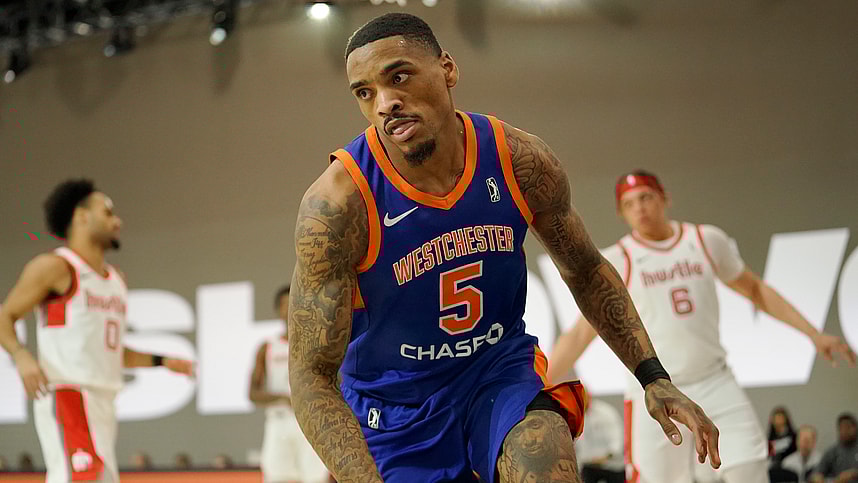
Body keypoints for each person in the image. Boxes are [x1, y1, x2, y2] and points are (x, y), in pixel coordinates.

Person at [287, 13, 721, 483]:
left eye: (399, 76)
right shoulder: (337, 205)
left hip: (494, 372)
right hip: (394, 403)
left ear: (448, 69)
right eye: (365, 92)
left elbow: (585, 269)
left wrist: (652, 375)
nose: (386, 102)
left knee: (544, 459)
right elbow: (311, 377)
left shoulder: (517, 159)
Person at [548, 170, 856, 483]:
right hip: (655, 392)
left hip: (714, 380)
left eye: (645, 197)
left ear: (664, 198)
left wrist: (813, 333)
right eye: (629, 203)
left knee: (749, 470)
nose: (639, 208)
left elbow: (756, 290)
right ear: (621, 213)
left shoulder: (705, 240)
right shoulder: (618, 259)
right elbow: (579, 334)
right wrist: (538, 381)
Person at [0, 179, 194, 483]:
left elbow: (113, 351)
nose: (118, 221)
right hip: (68, 393)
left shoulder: (116, 280)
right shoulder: (56, 266)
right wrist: (22, 356)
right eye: (108, 213)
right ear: (81, 216)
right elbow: (5, 315)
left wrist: (161, 361)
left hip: (103, 402)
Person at [249, 285, 329, 483]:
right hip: (279, 421)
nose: (289, 308)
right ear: (278, 309)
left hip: (311, 422)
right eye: (285, 304)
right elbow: (253, 393)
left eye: (294, 302)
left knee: (315, 478)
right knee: (278, 478)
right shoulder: (267, 347)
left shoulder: (317, 344)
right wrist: (284, 398)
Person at [575, 395, 625, 483]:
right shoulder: (576, 416)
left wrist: (604, 457)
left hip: (612, 466)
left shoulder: (605, 412)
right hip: (588, 466)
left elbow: (617, 440)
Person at [810, 413, 858, 483]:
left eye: (848, 427)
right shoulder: (833, 451)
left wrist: (853, 473)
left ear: (855, 428)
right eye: (841, 428)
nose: (844, 431)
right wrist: (817, 477)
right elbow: (817, 472)